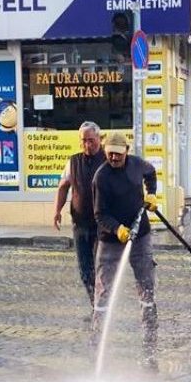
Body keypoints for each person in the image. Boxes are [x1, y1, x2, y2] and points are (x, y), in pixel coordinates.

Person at [92, 132, 160, 369]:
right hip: (111, 241)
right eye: (109, 152)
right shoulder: (101, 177)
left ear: (126, 151)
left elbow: (151, 173)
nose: (113, 157)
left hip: (140, 235)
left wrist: (151, 193)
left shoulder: (137, 165)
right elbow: (99, 215)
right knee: (103, 289)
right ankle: (98, 337)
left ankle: (150, 335)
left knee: (146, 284)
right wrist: (117, 229)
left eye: (118, 154)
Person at [53, 122, 105, 310]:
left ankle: (102, 304)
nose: (87, 145)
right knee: (85, 268)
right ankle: (95, 303)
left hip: (103, 225)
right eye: (84, 141)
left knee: (101, 266)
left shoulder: (109, 160)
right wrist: (57, 211)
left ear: (99, 138)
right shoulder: (73, 161)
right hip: (80, 223)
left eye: (91, 140)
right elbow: (63, 186)